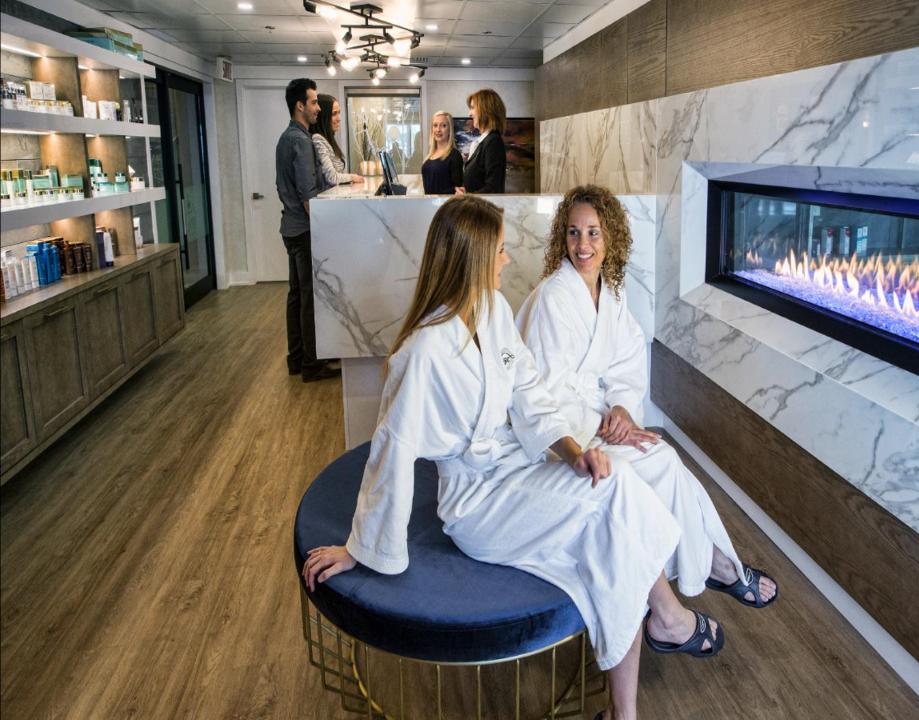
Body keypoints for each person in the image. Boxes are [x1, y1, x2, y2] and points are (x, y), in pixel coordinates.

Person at [304, 195, 735, 720]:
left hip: (517, 466)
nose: (508, 260)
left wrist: (574, 453)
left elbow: (529, 392)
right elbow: (391, 450)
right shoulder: (421, 354)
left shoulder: (494, 313)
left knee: (612, 497)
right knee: (615, 493)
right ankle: (667, 621)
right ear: (472, 259)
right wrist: (360, 547)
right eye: (500, 251)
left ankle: (626, 709)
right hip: (477, 503)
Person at [516, 184, 779, 613]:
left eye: (593, 233)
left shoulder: (611, 293)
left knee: (663, 458)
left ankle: (711, 562)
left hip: (596, 420)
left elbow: (628, 360)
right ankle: (712, 566)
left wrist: (621, 409)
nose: (582, 245)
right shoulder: (553, 297)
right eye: (573, 233)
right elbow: (544, 392)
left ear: (611, 237)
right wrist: (598, 432)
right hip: (563, 438)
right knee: (659, 461)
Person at [275, 78, 339, 383]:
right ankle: (312, 364)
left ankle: (297, 358)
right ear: (300, 105)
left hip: (290, 228)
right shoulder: (301, 140)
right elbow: (308, 195)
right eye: (314, 102)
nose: (318, 108)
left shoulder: (286, 137)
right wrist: (325, 232)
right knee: (310, 298)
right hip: (303, 230)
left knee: (296, 295)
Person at [456, 89, 506, 194]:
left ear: (485, 110)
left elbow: (493, 188)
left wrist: (468, 196)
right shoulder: (485, 142)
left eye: (472, 108)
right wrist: (467, 191)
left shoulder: (493, 142)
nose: (469, 114)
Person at [310, 93, 363, 187]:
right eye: (334, 114)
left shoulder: (327, 140)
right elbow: (331, 177)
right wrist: (352, 177)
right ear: (323, 116)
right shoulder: (318, 139)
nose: (339, 119)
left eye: (339, 113)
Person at [420, 110, 463, 194]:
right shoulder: (430, 156)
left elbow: (457, 190)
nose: (438, 129)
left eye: (443, 126)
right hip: (428, 201)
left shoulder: (454, 155)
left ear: (450, 130)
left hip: (445, 202)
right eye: (435, 125)